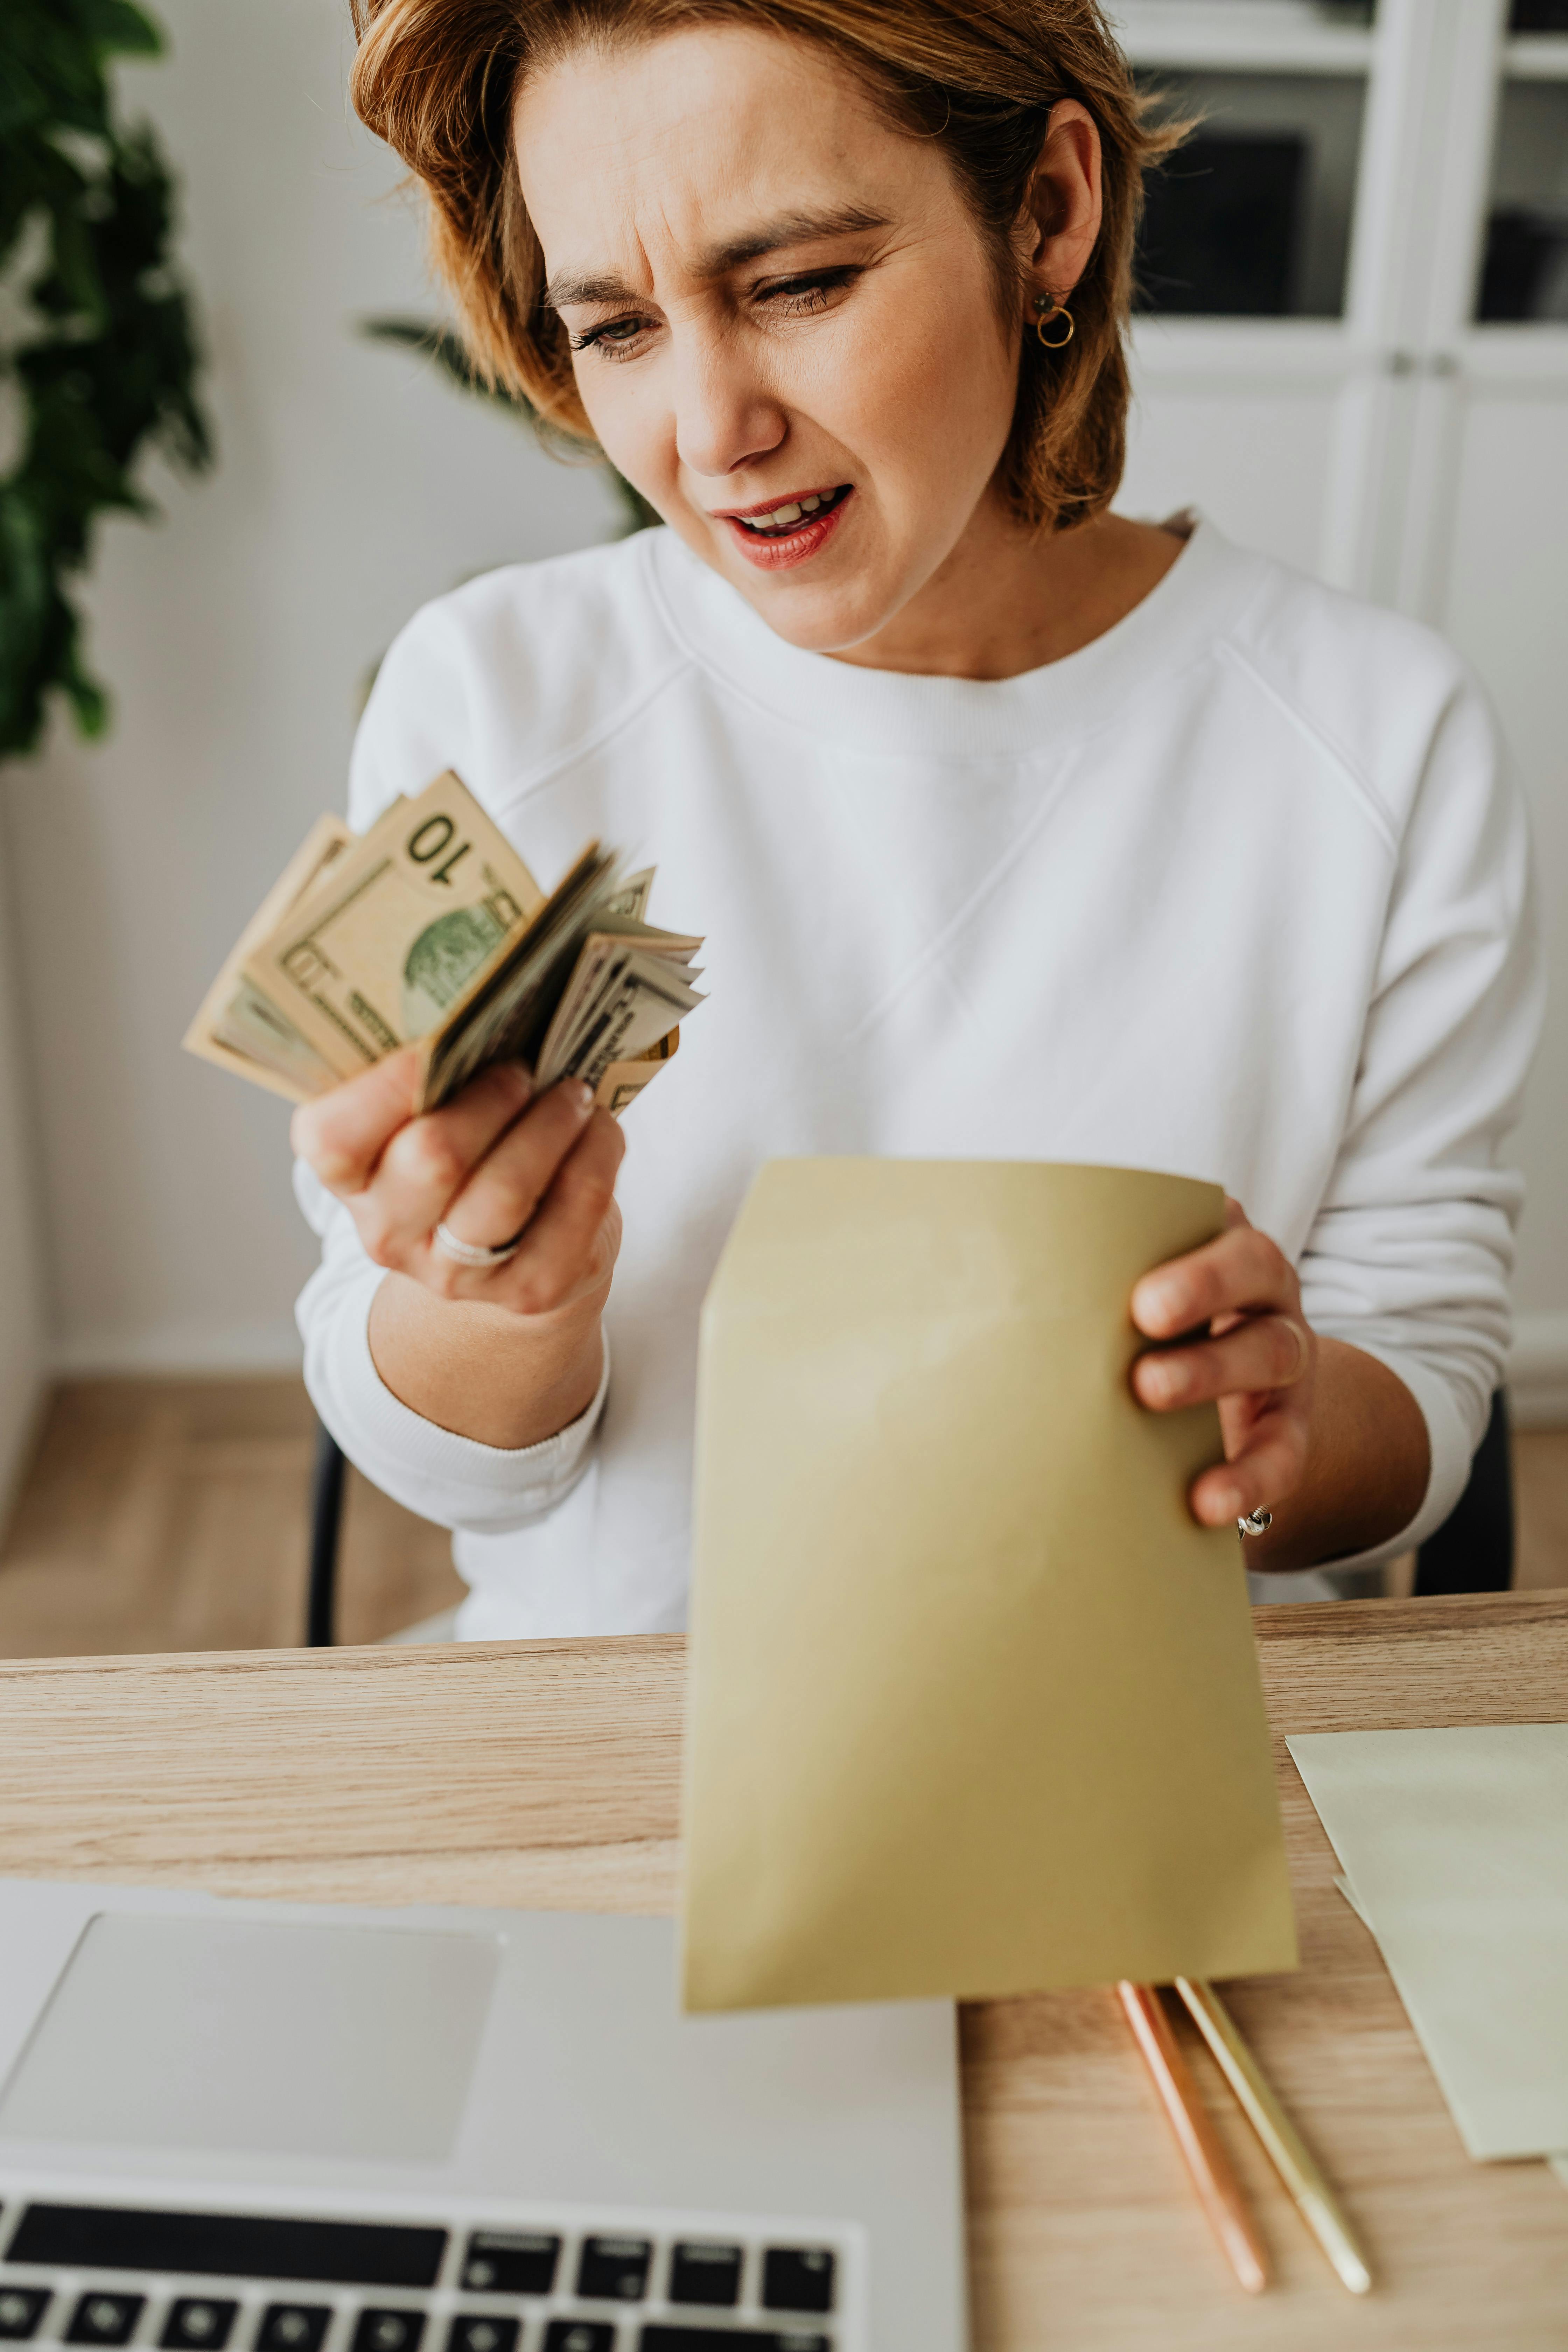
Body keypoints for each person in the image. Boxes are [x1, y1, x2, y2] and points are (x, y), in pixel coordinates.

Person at [293, 0, 1540, 1639]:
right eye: (615, 327)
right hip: (618, 1757)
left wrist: (1287, 1426)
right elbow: (440, 1457)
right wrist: (492, 1311)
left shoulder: (1380, 737)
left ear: (1047, 212)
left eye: (798, 284)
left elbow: (1422, 1384)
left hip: (1140, 1768)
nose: (710, 429)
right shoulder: (493, 702)